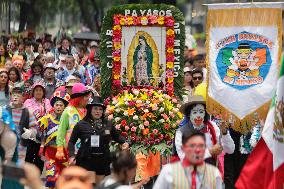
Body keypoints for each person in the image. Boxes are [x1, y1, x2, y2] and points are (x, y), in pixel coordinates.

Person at [68, 96, 129, 184]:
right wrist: (71, 156)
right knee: (90, 185)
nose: (98, 111)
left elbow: (118, 137)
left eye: (100, 109)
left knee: (100, 186)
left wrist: (124, 142)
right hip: (86, 160)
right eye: (95, 108)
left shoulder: (108, 124)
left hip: (103, 160)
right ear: (90, 109)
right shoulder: (81, 124)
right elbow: (71, 142)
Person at [172, 95, 235, 166]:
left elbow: (230, 150)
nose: (198, 115)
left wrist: (224, 133)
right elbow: (185, 158)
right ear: (189, 114)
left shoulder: (213, 127)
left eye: (201, 112)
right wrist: (210, 152)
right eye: (195, 112)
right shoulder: (181, 132)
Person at [154, 130, 223, 189]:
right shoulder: (168, 172)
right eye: (192, 145)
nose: (197, 150)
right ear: (183, 148)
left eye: (201, 146)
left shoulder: (214, 173)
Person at [38, 89, 70, 189]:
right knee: (51, 177)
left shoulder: (69, 120)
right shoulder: (46, 119)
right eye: (57, 105)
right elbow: (43, 135)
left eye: (61, 105)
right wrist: (42, 146)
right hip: (50, 152)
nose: (59, 107)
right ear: (53, 106)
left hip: (64, 151)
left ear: (65, 107)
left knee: (64, 176)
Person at [56, 83, 92, 161]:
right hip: (73, 151)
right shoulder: (68, 111)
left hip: (89, 150)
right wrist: (59, 148)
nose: (88, 98)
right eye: (85, 96)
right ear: (79, 98)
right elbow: (61, 131)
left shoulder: (90, 111)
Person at [24, 82, 52, 172]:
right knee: (29, 155)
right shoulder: (28, 101)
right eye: (36, 90)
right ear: (33, 91)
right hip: (31, 134)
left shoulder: (47, 102)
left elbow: (50, 114)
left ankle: (37, 176)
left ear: (43, 92)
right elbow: (26, 115)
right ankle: (27, 175)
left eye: (40, 90)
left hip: (44, 135)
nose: (38, 92)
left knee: (40, 157)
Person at [6, 87, 37, 165]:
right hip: (6, 145)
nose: (15, 97)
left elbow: (35, 128)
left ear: (23, 98)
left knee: (18, 169)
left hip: (21, 147)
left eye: (18, 96)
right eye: (14, 95)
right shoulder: (5, 110)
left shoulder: (27, 112)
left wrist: (30, 132)